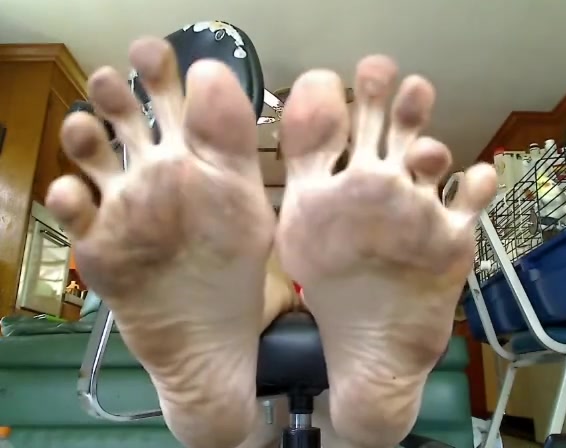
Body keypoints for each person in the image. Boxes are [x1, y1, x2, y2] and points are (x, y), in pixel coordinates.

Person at [46, 36, 497, 448]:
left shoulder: (333, 226)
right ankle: (367, 391)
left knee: (270, 280)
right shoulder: (289, 232)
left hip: (299, 305)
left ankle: (219, 352)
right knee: (270, 272)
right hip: (319, 296)